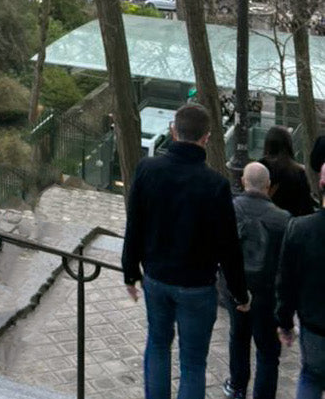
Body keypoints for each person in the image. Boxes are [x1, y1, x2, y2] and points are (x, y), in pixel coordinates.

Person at [121, 100, 250, 399]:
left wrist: (130, 272)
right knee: (193, 363)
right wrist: (240, 293)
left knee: (157, 346)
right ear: (206, 138)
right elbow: (229, 246)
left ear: (173, 131)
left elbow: (135, 224)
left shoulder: (147, 169)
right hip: (197, 286)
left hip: (156, 278)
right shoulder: (216, 185)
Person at [223, 161, 291, 399]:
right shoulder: (283, 219)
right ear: (269, 185)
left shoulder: (228, 210)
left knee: (238, 336)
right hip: (267, 293)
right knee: (268, 351)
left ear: (243, 182)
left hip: (235, 288)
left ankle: (238, 385)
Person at [276, 163, 325, 399]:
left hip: (315, 328)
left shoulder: (300, 229)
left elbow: (286, 284)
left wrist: (285, 322)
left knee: (312, 376)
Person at [259, 125, 314, 217]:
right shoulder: (298, 172)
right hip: (290, 224)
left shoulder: (259, 168)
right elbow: (306, 208)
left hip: (264, 223)